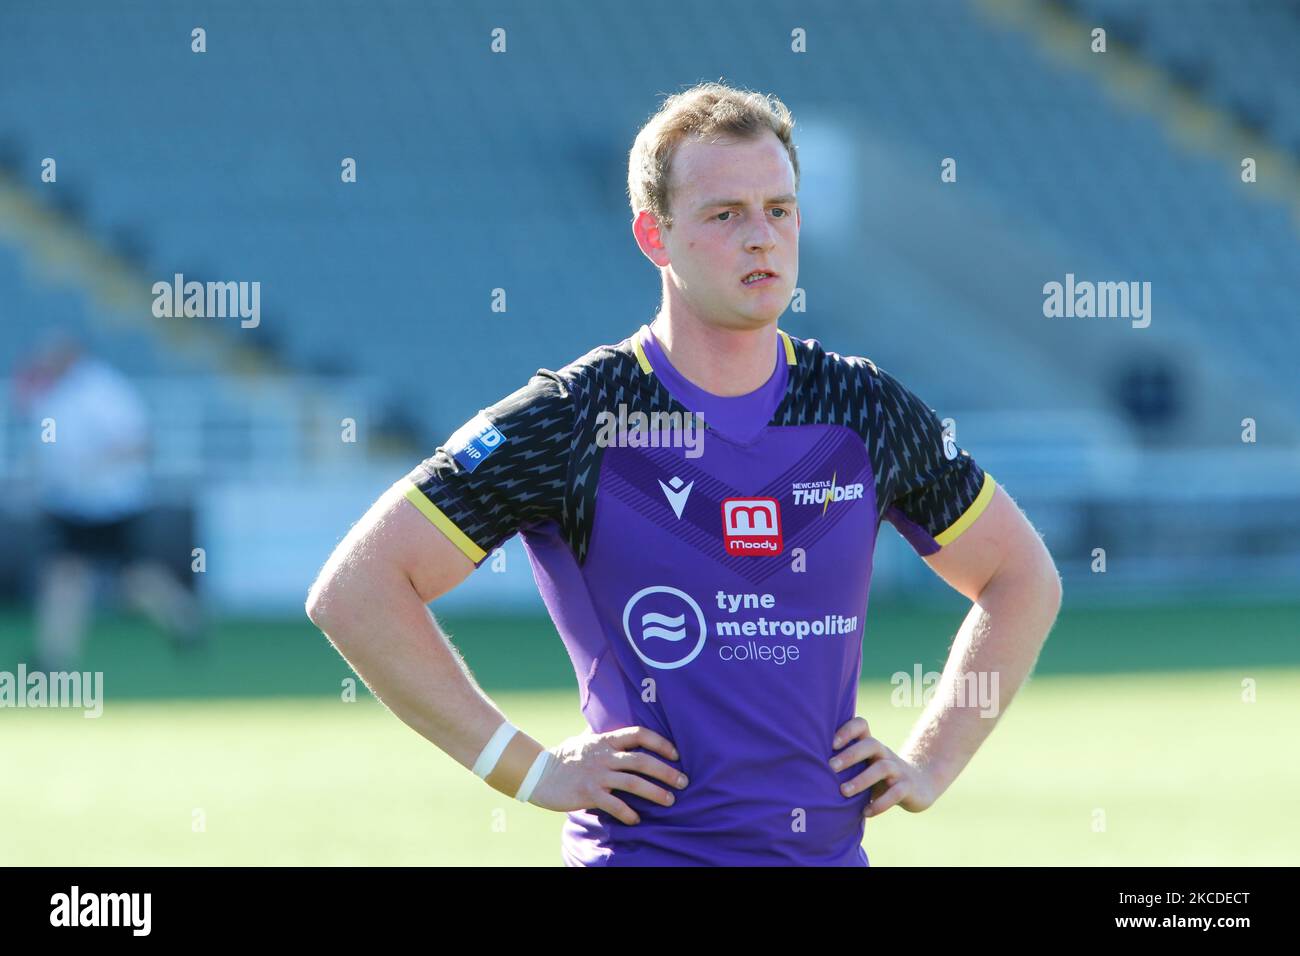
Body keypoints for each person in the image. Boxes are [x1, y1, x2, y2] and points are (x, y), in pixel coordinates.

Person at [306, 82, 1063, 866]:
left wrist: (932, 761)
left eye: (780, 208)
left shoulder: (860, 405)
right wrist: (528, 770)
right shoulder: (576, 415)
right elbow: (357, 591)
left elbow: (1019, 576)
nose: (762, 237)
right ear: (653, 235)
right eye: (725, 214)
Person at [16, 334, 204, 671]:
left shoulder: (104, 391)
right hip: (70, 504)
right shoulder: (56, 393)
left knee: (136, 579)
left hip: (112, 504)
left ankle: (184, 618)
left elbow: (139, 443)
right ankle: (54, 656)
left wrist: (91, 466)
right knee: (64, 575)